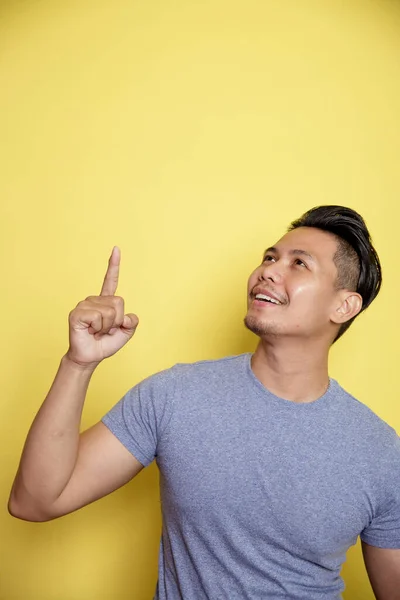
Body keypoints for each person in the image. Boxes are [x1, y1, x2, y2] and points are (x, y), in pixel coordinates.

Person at [8, 205, 400, 599]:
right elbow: (35, 501)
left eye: (299, 264)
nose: (268, 270)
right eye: (269, 257)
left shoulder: (381, 452)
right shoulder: (174, 396)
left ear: (344, 306)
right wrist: (78, 364)